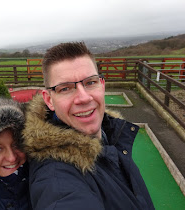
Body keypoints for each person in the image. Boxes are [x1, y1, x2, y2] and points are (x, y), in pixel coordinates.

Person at [22, 42, 155, 209]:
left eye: (90, 82)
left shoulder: (111, 133)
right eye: (65, 88)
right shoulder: (55, 180)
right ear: (49, 100)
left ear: (102, 85)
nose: (84, 98)